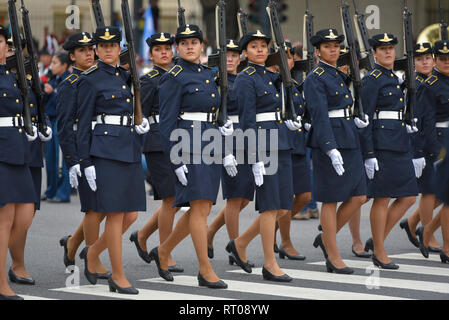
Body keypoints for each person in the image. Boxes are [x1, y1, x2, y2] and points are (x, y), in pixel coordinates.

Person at [154, 24, 232, 289]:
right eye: (184, 42)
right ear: (178, 47)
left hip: (210, 141)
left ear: (202, 46)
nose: (189, 46)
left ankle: (163, 251)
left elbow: (214, 108)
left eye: (194, 42)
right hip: (187, 144)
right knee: (198, 209)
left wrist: (222, 125)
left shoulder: (209, 73)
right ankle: (205, 269)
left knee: (205, 207)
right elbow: (166, 124)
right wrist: (175, 160)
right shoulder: (173, 76)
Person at [224, 30, 303, 282]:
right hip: (263, 145)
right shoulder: (246, 78)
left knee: (282, 206)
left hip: (280, 140)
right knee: (270, 207)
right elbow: (247, 120)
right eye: (254, 46)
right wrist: (255, 156)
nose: (260, 50)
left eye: (263, 46)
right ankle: (270, 264)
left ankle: (241, 243)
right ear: (245, 52)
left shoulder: (271, 76)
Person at [76, 26, 147, 294]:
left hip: (128, 146)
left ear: (120, 49)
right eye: (102, 46)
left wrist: (140, 123)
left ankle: (92, 252)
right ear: (96, 49)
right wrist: (85, 162)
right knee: (116, 215)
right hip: (105, 151)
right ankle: (118, 276)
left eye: (113, 45)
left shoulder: (125, 76)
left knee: (130, 214)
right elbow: (82, 125)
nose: (107, 50)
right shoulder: (90, 79)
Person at [305, 29, 367, 274]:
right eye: (327, 46)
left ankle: (326, 238)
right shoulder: (316, 77)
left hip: (348, 135)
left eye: (336, 45)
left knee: (359, 196)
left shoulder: (338, 74)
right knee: (330, 199)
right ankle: (332, 253)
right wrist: (330, 147)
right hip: (329, 139)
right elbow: (319, 116)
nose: (333, 49)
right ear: (317, 51)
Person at [360, 33, 419, 269]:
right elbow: (365, 118)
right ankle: (380, 251)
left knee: (408, 196)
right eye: (382, 49)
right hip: (382, 144)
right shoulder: (373, 79)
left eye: (391, 49)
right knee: (382, 198)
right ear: (374, 53)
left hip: (400, 140)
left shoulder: (395, 77)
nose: (387, 52)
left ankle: (377, 240)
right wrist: (369, 153)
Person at [56, 32, 110, 277]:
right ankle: (92, 259)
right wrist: (72, 161)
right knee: (93, 208)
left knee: (106, 206)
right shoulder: (69, 84)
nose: (89, 53)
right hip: (82, 148)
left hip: (101, 145)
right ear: (72, 56)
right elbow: (65, 126)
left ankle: (72, 244)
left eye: (91, 49)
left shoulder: (100, 78)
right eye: (82, 50)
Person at [129, 32, 183, 272]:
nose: (164, 52)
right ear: (150, 55)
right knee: (171, 198)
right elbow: (141, 114)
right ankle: (165, 252)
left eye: (167, 49)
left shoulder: (178, 76)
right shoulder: (149, 80)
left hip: (180, 140)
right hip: (158, 142)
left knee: (177, 200)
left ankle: (141, 235)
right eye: (158, 49)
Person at [4, 33, 52, 289]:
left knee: (27, 212)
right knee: (7, 214)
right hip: (7, 148)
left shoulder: (30, 75)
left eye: (17, 46)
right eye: (8, 45)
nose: (12, 50)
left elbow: (38, 106)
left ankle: (16, 262)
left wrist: (43, 125)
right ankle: (17, 264)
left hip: (30, 149)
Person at [206, 39, 255, 264]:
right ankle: (236, 248)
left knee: (245, 196)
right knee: (235, 197)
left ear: (240, 58)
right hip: (225, 138)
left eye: (234, 56)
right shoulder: (214, 82)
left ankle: (211, 231)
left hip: (245, 136)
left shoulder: (244, 78)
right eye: (226, 56)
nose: (230, 60)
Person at [0, 25, 38, 300]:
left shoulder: (12, 76)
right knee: (5, 219)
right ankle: (2, 285)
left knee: (24, 216)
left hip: (19, 148)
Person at [399, 42, 442, 252]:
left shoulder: (435, 80)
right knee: (430, 191)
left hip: (440, 140)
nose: (424, 62)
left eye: (427, 58)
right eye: (419, 59)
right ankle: (429, 234)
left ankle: (411, 222)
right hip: (424, 143)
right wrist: (418, 151)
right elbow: (414, 122)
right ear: (413, 63)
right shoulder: (414, 84)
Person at [273, 41, 309, 261]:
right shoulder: (271, 83)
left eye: (288, 56)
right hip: (279, 145)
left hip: (297, 143)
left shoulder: (295, 84)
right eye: (280, 57)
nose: (285, 60)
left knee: (304, 196)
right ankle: (285, 242)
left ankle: (271, 231)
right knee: (283, 201)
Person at [414, 40, 449, 259]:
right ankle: (446, 247)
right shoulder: (430, 84)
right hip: (440, 143)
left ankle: (424, 230)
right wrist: (432, 151)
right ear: (436, 60)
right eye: (443, 59)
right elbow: (424, 121)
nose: (447, 62)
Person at [42, 51, 71, 203]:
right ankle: (51, 190)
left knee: (61, 159)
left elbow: (66, 100)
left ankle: (62, 192)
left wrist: (52, 92)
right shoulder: (53, 78)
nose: (52, 66)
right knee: (50, 158)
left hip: (61, 121)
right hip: (50, 120)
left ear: (64, 65)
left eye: (55, 63)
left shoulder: (68, 80)